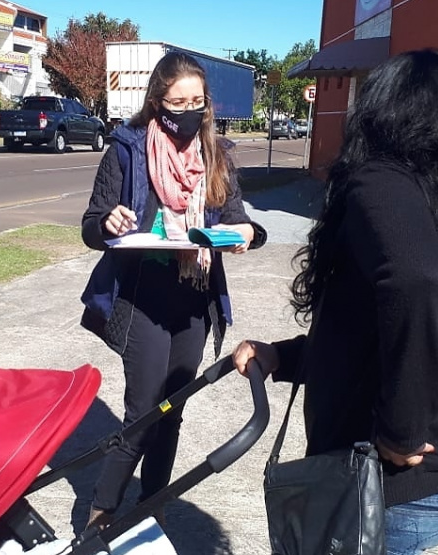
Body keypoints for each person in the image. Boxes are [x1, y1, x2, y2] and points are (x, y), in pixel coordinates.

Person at [231, 50, 438, 555]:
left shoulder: (381, 181)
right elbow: (369, 331)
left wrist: (402, 431)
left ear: (380, 111)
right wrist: (285, 357)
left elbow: (419, 285)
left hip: (391, 488)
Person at [79, 51, 267, 530]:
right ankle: (101, 513)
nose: (187, 111)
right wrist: (110, 221)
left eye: (197, 102)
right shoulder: (127, 147)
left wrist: (246, 234)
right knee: (143, 412)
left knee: (173, 409)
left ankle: (152, 503)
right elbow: (91, 225)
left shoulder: (215, 154)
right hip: (143, 296)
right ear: (157, 101)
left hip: (194, 298)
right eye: (176, 102)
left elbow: (237, 218)